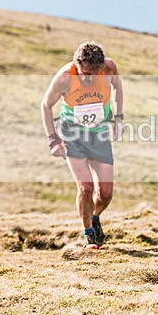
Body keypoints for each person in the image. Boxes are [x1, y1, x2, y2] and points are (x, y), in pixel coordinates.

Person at [41, 42, 124, 249]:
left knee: (105, 194)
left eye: (93, 74)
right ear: (77, 65)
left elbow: (117, 87)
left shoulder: (108, 68)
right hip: (73, 136)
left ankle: (94, 217)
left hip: (99, 135)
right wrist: (53, 139)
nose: (88, 78)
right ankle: (88, 233)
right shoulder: (64, 77)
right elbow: (45, 105)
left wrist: (119, 117)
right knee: (86, 187)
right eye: (84, 73)